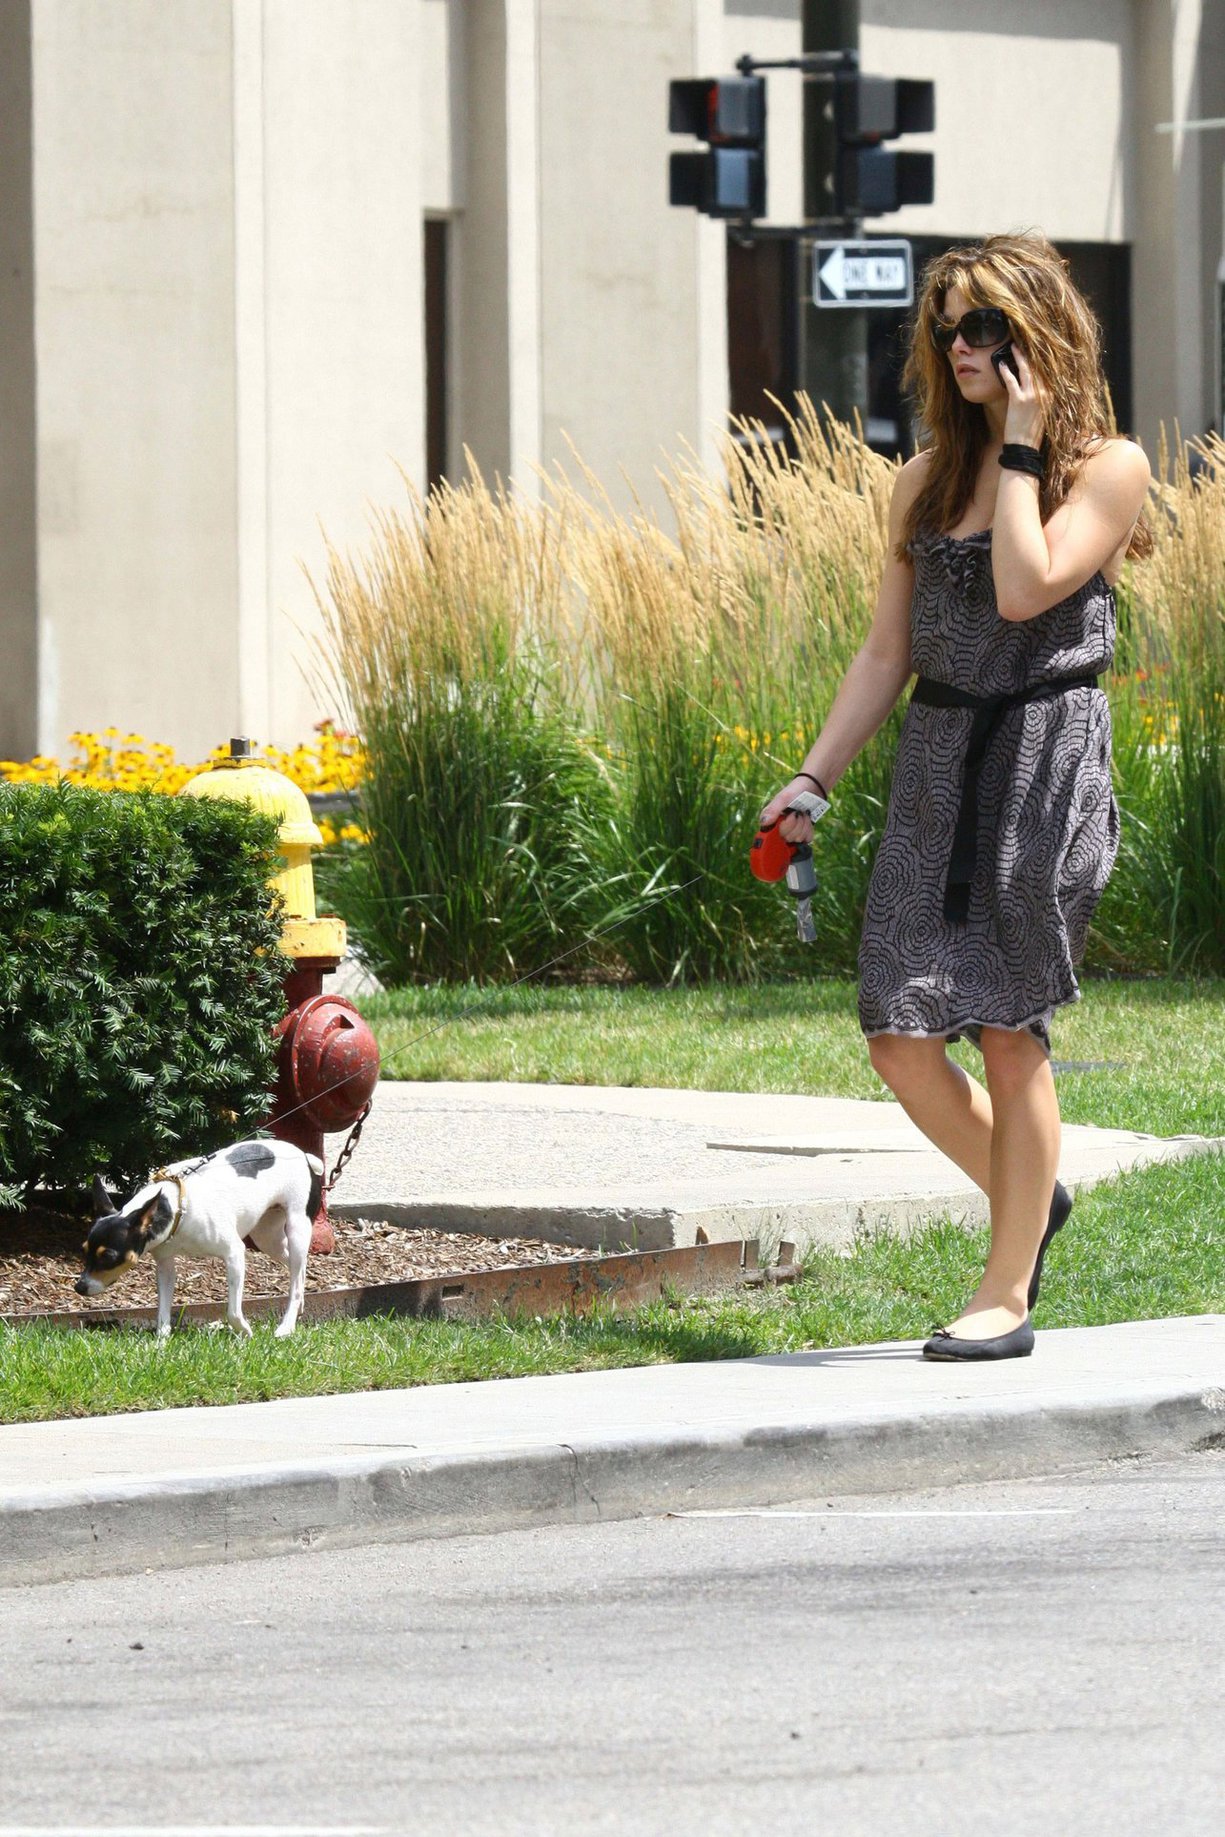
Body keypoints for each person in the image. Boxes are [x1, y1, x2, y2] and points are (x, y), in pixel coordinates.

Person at [759, 231, 1151, 1361]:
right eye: (948, 326)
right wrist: (813, 774)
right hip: (938, 758)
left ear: (1036, 337)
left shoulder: (1105, 470)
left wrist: (1024, 449)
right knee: (897, 1027)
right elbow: (886, 653)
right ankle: (1029, 1197)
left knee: (1005, 1027)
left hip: (1040, 759)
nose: (960, 345)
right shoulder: (920, 483)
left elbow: (1027, 589)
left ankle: (1004, 1291)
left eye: (984, 325)